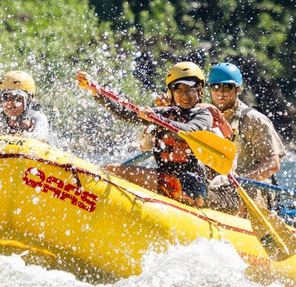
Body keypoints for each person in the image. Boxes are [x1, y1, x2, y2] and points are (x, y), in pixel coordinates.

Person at [76, 62, 216, 206]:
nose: (184, 95)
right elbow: (124, 113)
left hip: (191, 185)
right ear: (172, 93)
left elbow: (189, 131)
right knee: (111, 169)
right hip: (167, 178)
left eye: (189, 89)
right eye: (178, 90)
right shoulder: (166, 113)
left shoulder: (204, 115)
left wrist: (157, 119)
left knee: (112, 169)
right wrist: (96, 92)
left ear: (199, 90)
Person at [203, 62, 286, 214]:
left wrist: (240, 181)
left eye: (227, 87)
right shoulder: (205, 116)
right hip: (219, 185)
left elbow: (273, 164)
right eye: (215, 87)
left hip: (252, 187)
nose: (221, 93)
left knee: (243, 192)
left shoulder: (254, 120)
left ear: (238, 89)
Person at [0, 71, 49, 139]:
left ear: (28, 100)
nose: (9, 102)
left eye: (16, 97)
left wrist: (23, 135)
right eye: (5, 97)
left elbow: (41, 137)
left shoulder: (38, 118)